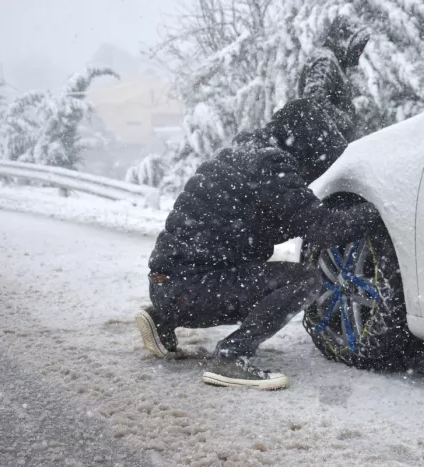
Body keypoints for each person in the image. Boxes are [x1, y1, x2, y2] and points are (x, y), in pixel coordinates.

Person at [135, 99, 381, 390]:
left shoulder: (245, 156)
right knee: (304, 280)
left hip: (168, 285)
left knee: (250, 273)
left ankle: (162, 317)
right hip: (192, 289)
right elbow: (324, 229)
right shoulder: (271, 166)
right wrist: (379, 209)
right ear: (306, 146)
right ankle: (230, 356)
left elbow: (272, 221)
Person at [298, 15, 370, 143]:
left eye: (361, 49)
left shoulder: (332, 61)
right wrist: (344, 121)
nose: (358, 53)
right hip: (324, 147)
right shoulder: (326, 60)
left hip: (327, 143)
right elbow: (312, 99)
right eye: (356, 48)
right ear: (343, 38)